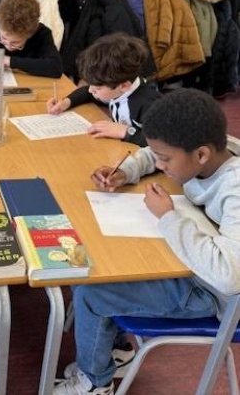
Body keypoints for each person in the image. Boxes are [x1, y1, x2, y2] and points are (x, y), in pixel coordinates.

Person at [54, 88, 240, 395]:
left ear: (201, 155)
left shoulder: (234, 189)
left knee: (90, 293)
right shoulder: (214, 149)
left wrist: (168, 217)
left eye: (166, 160)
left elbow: (229, 275)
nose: (160, 164)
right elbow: (151, 153)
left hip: (214, 294)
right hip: (188, 265)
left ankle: (94, 384)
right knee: (92, 265)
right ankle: (117, 351)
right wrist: (125, 172)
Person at [47, 33, 161, 147]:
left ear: (124, 86)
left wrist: (125, 131)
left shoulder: (149, 105)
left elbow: (163, 142)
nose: (91, 90)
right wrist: (66, 102)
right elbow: (87, 93)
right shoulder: (117, 88)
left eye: (98, 88)